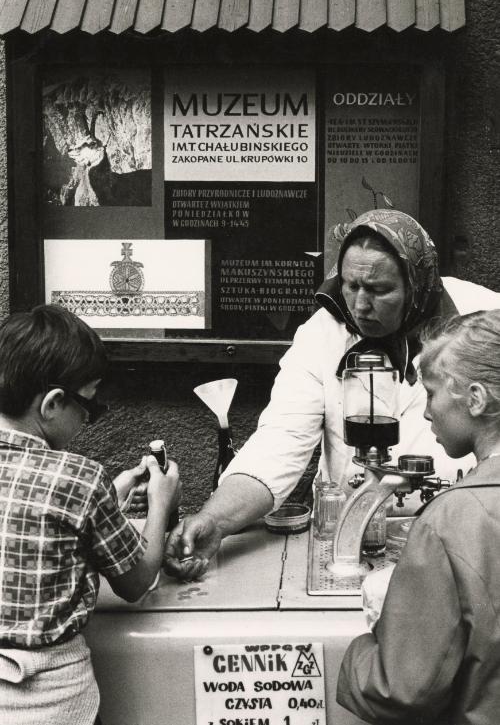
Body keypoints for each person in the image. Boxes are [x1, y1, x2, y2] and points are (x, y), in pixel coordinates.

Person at [165, 209, 500, 579]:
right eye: (350, 285)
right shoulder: (323, 333)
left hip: (464, 531)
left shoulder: (482, 319)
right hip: (350, 531)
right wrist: (215, 520)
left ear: (416, 283)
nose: (359, 305)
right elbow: (281, 441)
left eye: (378, 290)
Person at [0, 304, 180, 725]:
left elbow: (31, 527)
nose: (89, 419)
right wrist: (160, 503)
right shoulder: (78, 478)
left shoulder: (79, 487)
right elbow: (137, 582)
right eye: (90, 406)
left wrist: (108, 496)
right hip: (54, 705)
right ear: (52, 404)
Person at [337, 308, 500, 724]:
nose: (426, 414)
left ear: (476, 399)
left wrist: (357, 650)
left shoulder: (450, 521)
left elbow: (402, 691)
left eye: (431, 393)